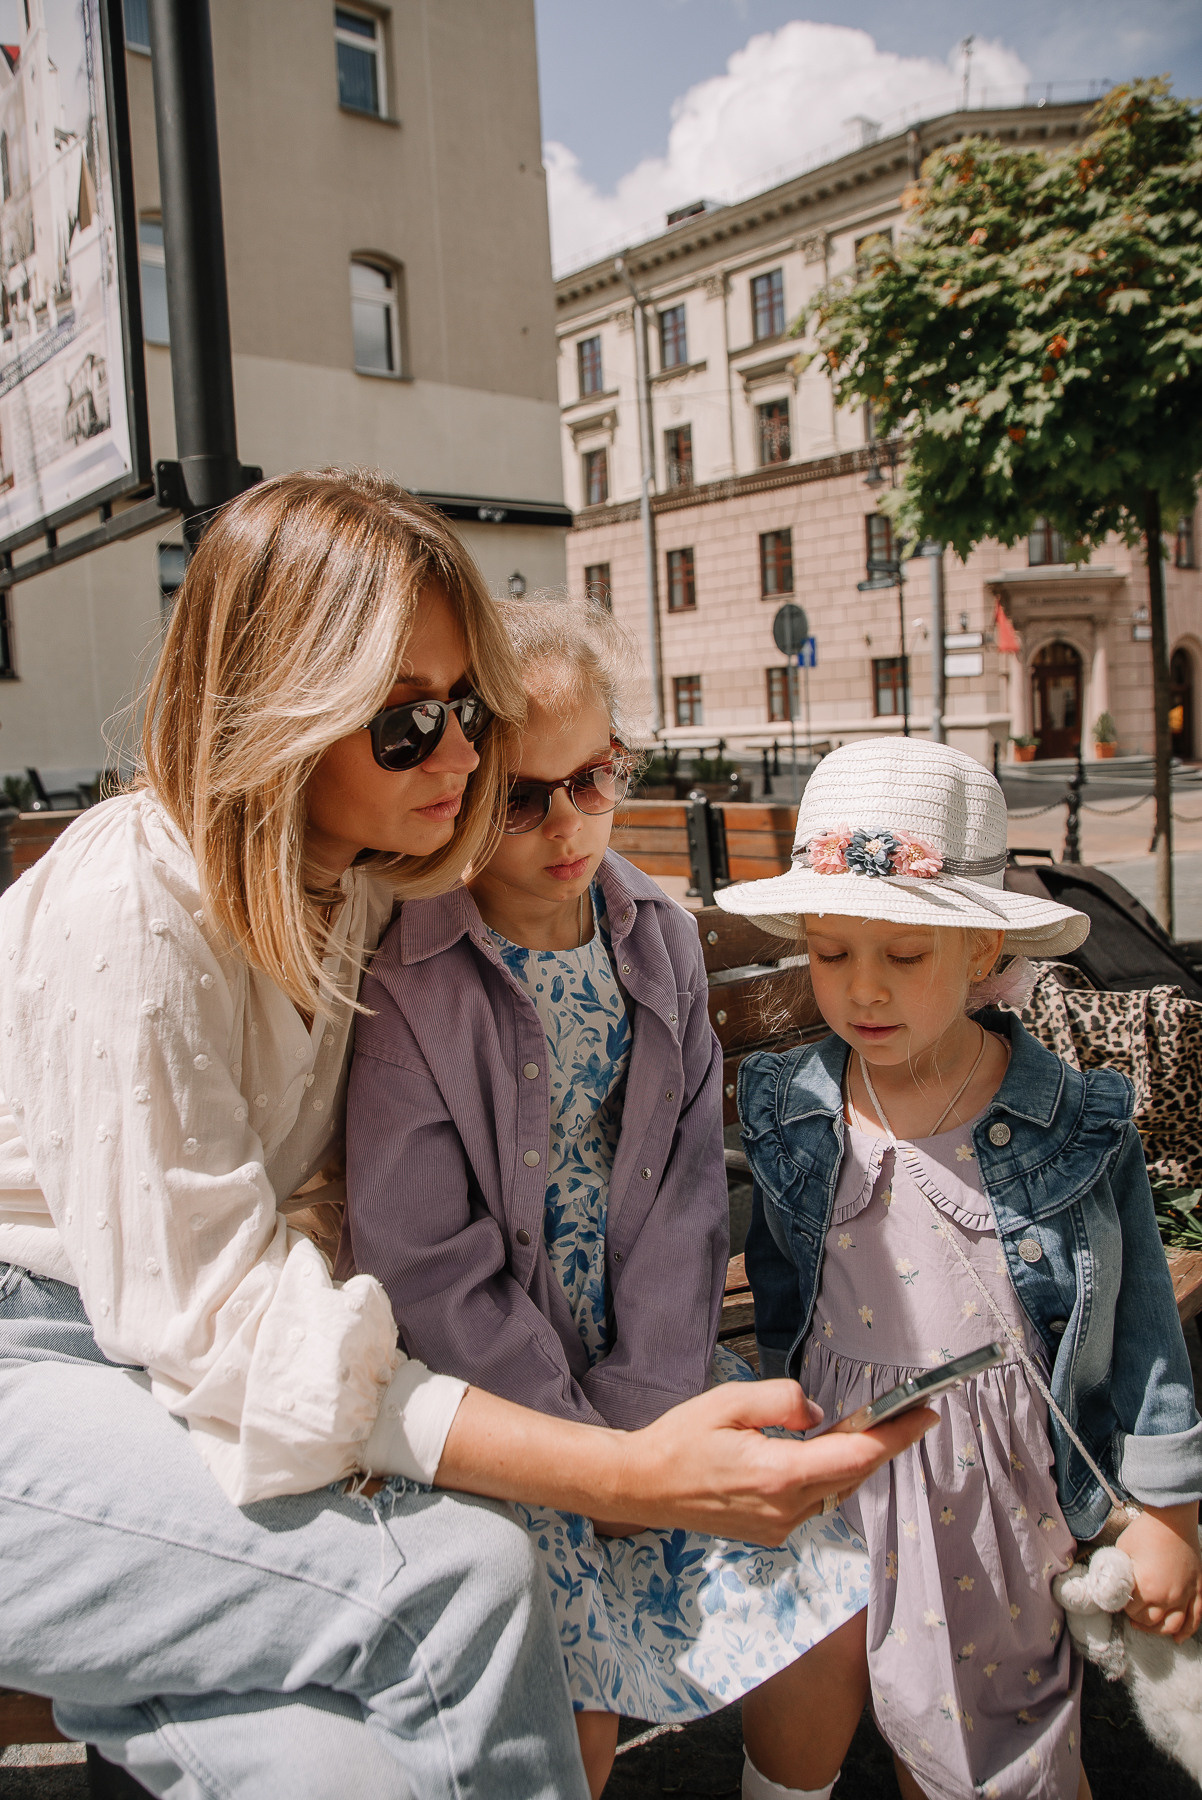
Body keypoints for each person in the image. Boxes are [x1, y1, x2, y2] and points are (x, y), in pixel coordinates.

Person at [0, 471, 929, 1800]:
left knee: (347, 1775)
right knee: (469, 1589)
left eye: (467, 711)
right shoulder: (131, 915)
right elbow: (222, 1326)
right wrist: (622, 1469)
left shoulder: (367, 883)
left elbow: (588, 922)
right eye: (402, 725)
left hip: (169, 1386)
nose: (462, 760)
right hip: (50, 1365)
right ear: (276, 714)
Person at [343, 594, 874, 1798]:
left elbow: (688, 1210)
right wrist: (594, 1459)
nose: (567, 824)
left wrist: (647, 1412)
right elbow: (429, 1270)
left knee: (828, 1590)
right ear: (465, 791)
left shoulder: (654, 937)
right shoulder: (415, 979)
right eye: (522, 798)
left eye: (593, 779)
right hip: (494, 1405)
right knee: (564, 1709)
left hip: (657, 1367)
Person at [713, 735, 1202, 1800]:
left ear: (983, 956)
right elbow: (783, 1284)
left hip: (980, 1480)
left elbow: (1142, 1334)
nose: (860, 991)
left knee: (985, 1758)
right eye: (832, 953)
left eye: (903, 956)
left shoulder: (1074, 1124)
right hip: (826, 1462)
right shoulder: (791, 1102)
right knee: (789, 1718)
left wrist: (1166, 1514)